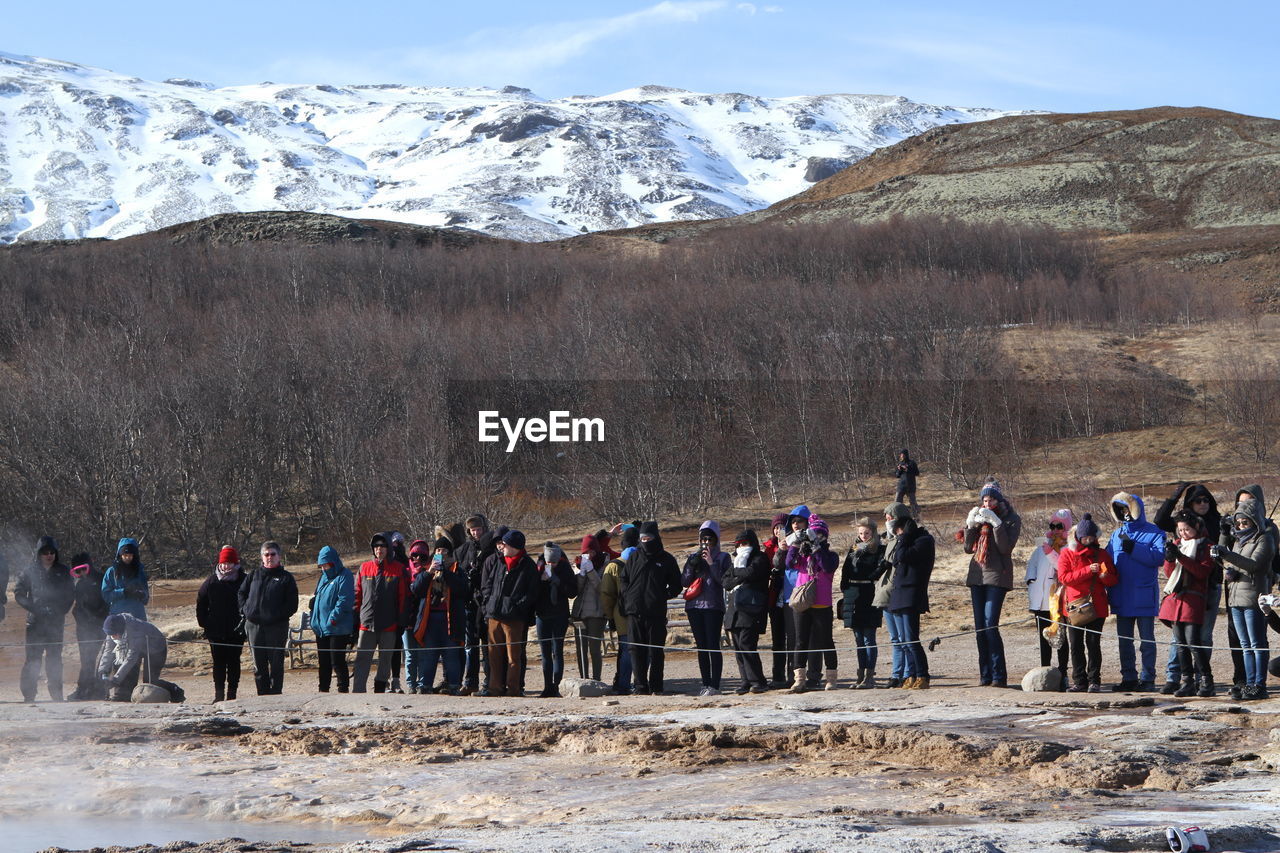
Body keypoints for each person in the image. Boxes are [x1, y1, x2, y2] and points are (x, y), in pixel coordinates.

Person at [1154, 483, 1229, 693]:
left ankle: (1202, 680)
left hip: (1209, 586)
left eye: (1206, 500)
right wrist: (1175, 494)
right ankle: (1176, 678)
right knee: (1180, 639)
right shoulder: (1181, 527)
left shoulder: (1216, 522)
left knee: (1200, 637)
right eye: (1198, 500)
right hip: (1181, 591)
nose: (1203, 504)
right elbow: (1160, 520)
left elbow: (1207, 565)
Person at [1213, 495, 1275, 700]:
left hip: (1254, 599)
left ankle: (1259, 684)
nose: (1240, 525)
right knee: (1245, 645)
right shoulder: (1239, 541)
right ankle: (1249, 683)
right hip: (1236, 598)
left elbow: (1256, 565)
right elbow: (1239, 564)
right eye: (1238, 522)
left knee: (1257, 644)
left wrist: (1227, 555)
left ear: (1254, 520)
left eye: (1245, 521)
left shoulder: (1265, 539)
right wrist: (1228, 568)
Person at [963, 483, 1023, 687]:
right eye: (984, 500)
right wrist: (970, 525)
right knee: (980, 628)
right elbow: (967, 548)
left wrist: (997, 524)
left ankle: (999, 675)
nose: (987, 503)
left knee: (990, 625)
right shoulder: (980, 518)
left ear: (999, 500)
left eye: (991, 500)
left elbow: (1005, 548)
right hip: (977, 576)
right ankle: (985, 674)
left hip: (998, 576)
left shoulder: (1011, 519)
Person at [1106, 492, 1165, 692]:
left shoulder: (1154, 532)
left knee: (1146, 641)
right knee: (1124, 642)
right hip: (1121, 594)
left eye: (1127, 509)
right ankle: (1128, 678)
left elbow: (1158, 558)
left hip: (1143, 595)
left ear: (1135, 509)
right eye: (1120, 510)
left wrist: (1133, 548)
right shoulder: (1116, 535)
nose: (1124, 514)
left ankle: (1148, 678)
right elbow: (1107, 561)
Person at [1057, 514, 1119, 693]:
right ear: (1078, 537)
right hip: (1074, 606)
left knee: (1093, 644)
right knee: (1075, 645)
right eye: (1085, 537)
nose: (1089, 540)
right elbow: (1064, 578)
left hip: (1097, 605)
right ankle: (1079, 681)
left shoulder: (1102, 554)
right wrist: (1086, 571)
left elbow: (1113, 580)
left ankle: (1094, 681)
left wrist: (1104, 577)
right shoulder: (1067, 553)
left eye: (1092, 537)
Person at [620, 521, 682, 695]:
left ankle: (656, 686)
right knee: (635, 649)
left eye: (648, 538)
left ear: (655, 537)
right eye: (642, 538)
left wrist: (662, 596)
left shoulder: (667, 559)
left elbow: (676, 585)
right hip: (634, 611)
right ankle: (640, 685)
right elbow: (624, 579)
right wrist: (627, 594)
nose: (645, 541)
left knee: (655, 650)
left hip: (655, 612)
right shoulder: (634, 557)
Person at [1159, 513, 1216, 697]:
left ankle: (1206, 680)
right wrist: (1169, 558)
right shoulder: (1178, 544)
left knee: (1193, 641)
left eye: (1187, 529)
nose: (1183, 533)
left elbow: (1202, 572)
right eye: (1180, 529)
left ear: (1196, 528)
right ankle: (1187, 682)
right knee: (1180, 643)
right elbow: (1169, 574)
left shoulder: (1206, 546)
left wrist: (1181, 557)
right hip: (1176, 599)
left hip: (1193, 599)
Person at [14, 536, 75, 702]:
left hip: (55, 622)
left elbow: (70, 593)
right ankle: (29, 696)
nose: (49, 555)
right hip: (35, 622)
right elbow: (19, 593)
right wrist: (34, 608)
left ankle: (56, 695)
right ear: (39, 553)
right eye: (45, 552)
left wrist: (61, 610)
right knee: (32, 659)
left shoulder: (63, 571)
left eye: (52, 552)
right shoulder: (30, 571)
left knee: (54, 659)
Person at [481, 529, 539, 697]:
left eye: (505, 544)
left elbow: (532, 592)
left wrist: (516, 606)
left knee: (513, 657)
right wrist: (488, 603)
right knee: (494, 656)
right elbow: (488, 585)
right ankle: (494, 688)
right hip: (494, 614)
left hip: (514, 618)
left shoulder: (527, 564)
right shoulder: (498, 561)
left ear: (514, 546)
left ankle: (513, 689)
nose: (502, 546)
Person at [407, 534, 467, 694]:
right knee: (429, 655)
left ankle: (454, 685)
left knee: (451, 654)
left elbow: (463, 590)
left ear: (450, 553)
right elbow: (415, 590)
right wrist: (429, 573)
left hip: (450, 618)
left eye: (445, 550)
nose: (441, 553)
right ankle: (425, 685)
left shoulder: (456, 569)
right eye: (438, 549)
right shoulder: (427, 568)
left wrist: (446, 573)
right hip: (430, 618)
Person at [237, 541, 299, 695]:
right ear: (262, 557)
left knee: (276, 663)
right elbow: (241, 593)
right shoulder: (253, 575)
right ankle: (262, 694)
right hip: (254, 626)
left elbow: (292, 605)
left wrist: (275, 616)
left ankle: (276, 694)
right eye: (266, 554)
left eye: (273, 554)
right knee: (258, 664)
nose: (269, 557)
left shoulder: (286, 578)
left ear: (279, 556)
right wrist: (246, 610)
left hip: (276, 627)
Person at [885, 503, 934, 689]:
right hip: (898, 594)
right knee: (904, 641)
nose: (887, 523)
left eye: (890, 520)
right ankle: (911, 675)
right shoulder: (901, 540)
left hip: (912, 593)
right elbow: (895, 559)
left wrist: (903, 536)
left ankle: (922, 675)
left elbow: (904, 556)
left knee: (912, 640)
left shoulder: (923, 540)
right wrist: (899, 538)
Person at [788, 514, 839, 692]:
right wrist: (796, 544)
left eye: (818, 535)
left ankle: (831, 678)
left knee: (826, 641)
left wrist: (817, 548)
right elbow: (788, 563)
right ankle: (799, 679)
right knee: (800, 641)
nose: (814, 538)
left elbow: (826, 567)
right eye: (812, 534)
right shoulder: (803, 555)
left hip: (822, 603)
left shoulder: (831, 555)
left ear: (824, 536)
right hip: (802, 604)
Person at [353, 533, 409, 693]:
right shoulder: (364, 567)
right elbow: (357, 594)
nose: (379, 549)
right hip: (366, 623)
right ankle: (358, 692)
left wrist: (401, 622)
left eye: (383, 546)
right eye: (376, 546)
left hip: (389, 624)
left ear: (388, 548)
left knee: (385, 661)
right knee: (362, 660)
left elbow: (403, 598)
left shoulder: (398, 569)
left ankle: (380, 691)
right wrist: (355, 619)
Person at [457, 515, 503, 696]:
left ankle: (489, 682)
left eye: (478, 529)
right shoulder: (466, 549)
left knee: (487, 644)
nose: (476, 533)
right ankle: (470, 681)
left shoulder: (491, 548)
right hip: (470, 601)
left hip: (486, 601)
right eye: (473, 530)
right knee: (470, 644)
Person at [1025, 510, 1073, 683]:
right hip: (1040, 600)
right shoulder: (1043, 546)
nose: (1055, 530)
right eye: (1052, 526)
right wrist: (1031, 583)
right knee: (1043, 635)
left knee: (1060, 637)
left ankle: (1063, 673)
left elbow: (1061, 566)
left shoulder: (1069, 546)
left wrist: (1049, 551)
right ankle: (1045, 670)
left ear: (1066, 527)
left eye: (1059, 526)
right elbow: (1032, 566)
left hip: (1058, 599)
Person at [683, 520, 729, 696]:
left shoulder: (723, 557)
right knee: (701, 646)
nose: (706, 543)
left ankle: (715, 685)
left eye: (710, 539)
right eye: (703, 539)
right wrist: (691, 565)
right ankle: (705, 684)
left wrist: (711, 563)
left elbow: (723, 581)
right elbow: (684, 582)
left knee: (713, 645)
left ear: (716, 540)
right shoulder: (693, 557)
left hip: (713, 606)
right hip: (694, 606)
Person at [196, 546, 248, 702]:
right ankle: (218, 695)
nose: (226, 566)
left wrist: (245, 622)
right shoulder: (211, 581)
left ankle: (232, 695)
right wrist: (205, 623)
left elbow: (249, 601)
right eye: (224, 563)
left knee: (233, 662)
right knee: (218, 663)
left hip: (236, 630)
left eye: (230, 562)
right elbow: (201, 603)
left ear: (235, 563)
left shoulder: (243, 580)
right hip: (216, 630)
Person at [840, 516, 885, 689]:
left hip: (869, 594)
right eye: (860, 533)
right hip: (852, 594)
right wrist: (845, 588)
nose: (863, 536)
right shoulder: (853, 549)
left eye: (866, 533)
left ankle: (869, 676)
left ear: (873, 532)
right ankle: (859, 675)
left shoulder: (879, 549)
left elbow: (880, 568)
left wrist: (872, 576)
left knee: (868, 638)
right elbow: (845, 570)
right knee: (858, 639)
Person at [723, 528, 770, 694]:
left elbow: (752, 572)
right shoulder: (734, 561)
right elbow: (726, 582)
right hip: (734, 610)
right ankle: (745, 681)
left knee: (747, 644)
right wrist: (740, 574)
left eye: (746, 543)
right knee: (738, 647)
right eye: (740, 543)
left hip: (752, 608)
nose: (743, 546)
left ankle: (758, 681)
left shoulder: (760, 558)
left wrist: (737, 574)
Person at [534, 542, 577, 697]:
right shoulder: (539, 568)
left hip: (560, 614)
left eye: (554, 562)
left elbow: (572, 592)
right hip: (542, 615)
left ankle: (557, 686)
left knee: (557, 651)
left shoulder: (565, 569)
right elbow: (532, 591)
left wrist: (557, 581)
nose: (551, 564)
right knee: (544, 652)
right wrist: (541, 580)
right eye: (548, 562)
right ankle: (547, 687)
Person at [599, 525, 638, 695]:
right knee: (643, 650)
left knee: (626, 652)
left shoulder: (614, 566)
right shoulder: (645, 560)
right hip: (643, 614)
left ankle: (622, 684)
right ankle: (641, 683)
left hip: (621, 615)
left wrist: (610, 616)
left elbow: (607, 595)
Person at [312, 545, 355, 693]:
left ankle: (342, 689)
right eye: (322, 565)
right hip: (321, 628)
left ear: (334, 562)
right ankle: (323, 689)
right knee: (323, 663)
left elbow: (344, 601)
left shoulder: (345, 575)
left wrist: (332, 620)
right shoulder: (323, 578)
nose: (324, 568)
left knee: (337, 661)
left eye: (326, 564)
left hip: (337, 628)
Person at [68, 552, 110, 701]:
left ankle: (98, 689)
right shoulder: (79, 586)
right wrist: (82, 619)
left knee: (101, 659)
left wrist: (97, 618)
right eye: (77, 571)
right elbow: (78, 608)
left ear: (89, 566)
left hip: (101, 626)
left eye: (83, 569)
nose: (81, 573)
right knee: (86, 659)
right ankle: (84, 689)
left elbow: (107, 603)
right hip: (84, 628)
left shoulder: (101, 579)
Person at [99, 613, 168, 701]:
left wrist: (115, 680)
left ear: (120, 630)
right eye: (110, 634)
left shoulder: (135, 629)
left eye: (114, 634)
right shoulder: (111, 630)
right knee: (128, 670)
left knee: (149, 681)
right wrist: (102, 671)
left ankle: (175, 691)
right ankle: (123, 695)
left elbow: (131, 658)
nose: (112, 637)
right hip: (137, 648)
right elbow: (108, 651)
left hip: (156, 648)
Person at [572, 533, 609, 681]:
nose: (589, 555)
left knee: (594, 649)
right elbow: (577, 591)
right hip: (579, 613)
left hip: (597, 613)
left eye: (591, 551)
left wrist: (591, 571)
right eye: (585, 552)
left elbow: (601, 588)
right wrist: (581, 573)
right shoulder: (578, 564)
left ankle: (596, 679)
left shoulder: (605, 564)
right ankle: (583, 678)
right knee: (581, 649)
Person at [762, 513, 792, 687]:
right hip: (775, 596)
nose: (779, 530)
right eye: (776, 527)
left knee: (793, 638)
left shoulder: (794, 543)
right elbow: (768, 567)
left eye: (782, 527)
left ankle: (793, 674)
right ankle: (778, 675)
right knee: (778, 639)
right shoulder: (768, 547)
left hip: (791, 594)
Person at [101, 538, 149, 619]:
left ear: (135, 555)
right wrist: (123, 592)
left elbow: (146, 596)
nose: (127, 558)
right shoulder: (111, 572)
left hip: (138, 616)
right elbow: (106, 595)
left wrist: (141, 594)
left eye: (130, 555)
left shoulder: (140, 571)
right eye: (125, 555)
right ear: (120, 555)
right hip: (118, 617)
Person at [894, 449, 921, 519]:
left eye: (902, 454)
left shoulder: (912, 463)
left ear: (905, 454)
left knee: (913, 502)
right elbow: (897, 475)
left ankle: (916, 517)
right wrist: (899, 470)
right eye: (900, 454)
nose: (901, 456)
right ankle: (897, 517)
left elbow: (917, 473)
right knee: (897, 501)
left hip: (910, 486)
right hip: (901, 486)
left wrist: (907, 469)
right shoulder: (900, 463)